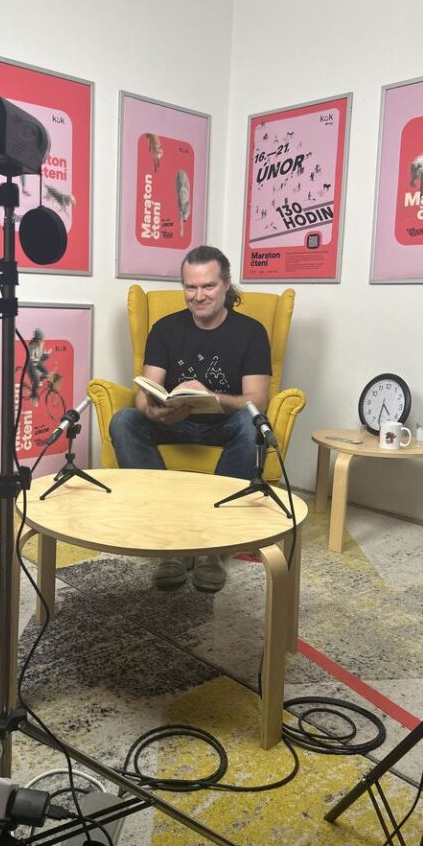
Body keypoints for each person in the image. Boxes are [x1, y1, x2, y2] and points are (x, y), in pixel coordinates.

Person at [109, 245, 272, 593]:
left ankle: (213, 546)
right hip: (175, 421)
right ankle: (170, 539)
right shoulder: (165, 329)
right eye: (191, 287)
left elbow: (258, 400)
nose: (199, 296)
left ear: (226, 284)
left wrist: (213, 398)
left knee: (250, 425)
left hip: (224, 425)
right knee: (124, 420)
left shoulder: (252, 332)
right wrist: (153, 410)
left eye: (208, 286)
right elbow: (145, 391)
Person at [27, 328, 50, 405]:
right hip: (31, 365)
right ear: (36, 339)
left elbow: (41, 356)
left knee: (47, 374)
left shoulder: (41, 344)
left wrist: (46, 355)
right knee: (36, 382)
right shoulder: (32, 346)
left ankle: (38, 379)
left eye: (42, 339)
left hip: (38, 362)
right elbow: (32, 358)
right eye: (40, 339)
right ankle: (33, 397)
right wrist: (38, 360)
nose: (42, 341)